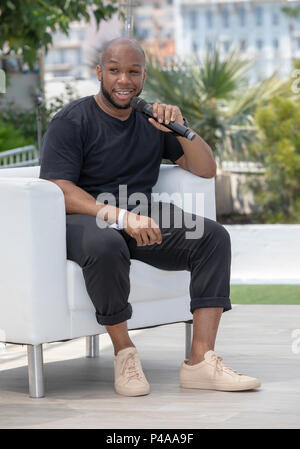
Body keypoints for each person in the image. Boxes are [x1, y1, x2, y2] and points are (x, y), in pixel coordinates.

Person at [40, 37, 261, 397]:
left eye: (132, 71)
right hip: (84, 215)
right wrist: (118, 216)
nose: (123, 80)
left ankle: (200, 362)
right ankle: (125, 353)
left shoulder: (150, 120)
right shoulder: (72, 121)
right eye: (114, 70)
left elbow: (205, 169)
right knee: (107, 242)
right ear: (99, 73)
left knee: (212, 238)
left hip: (141, 214)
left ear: (144, 75)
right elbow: (59, 188)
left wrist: (181, 128)